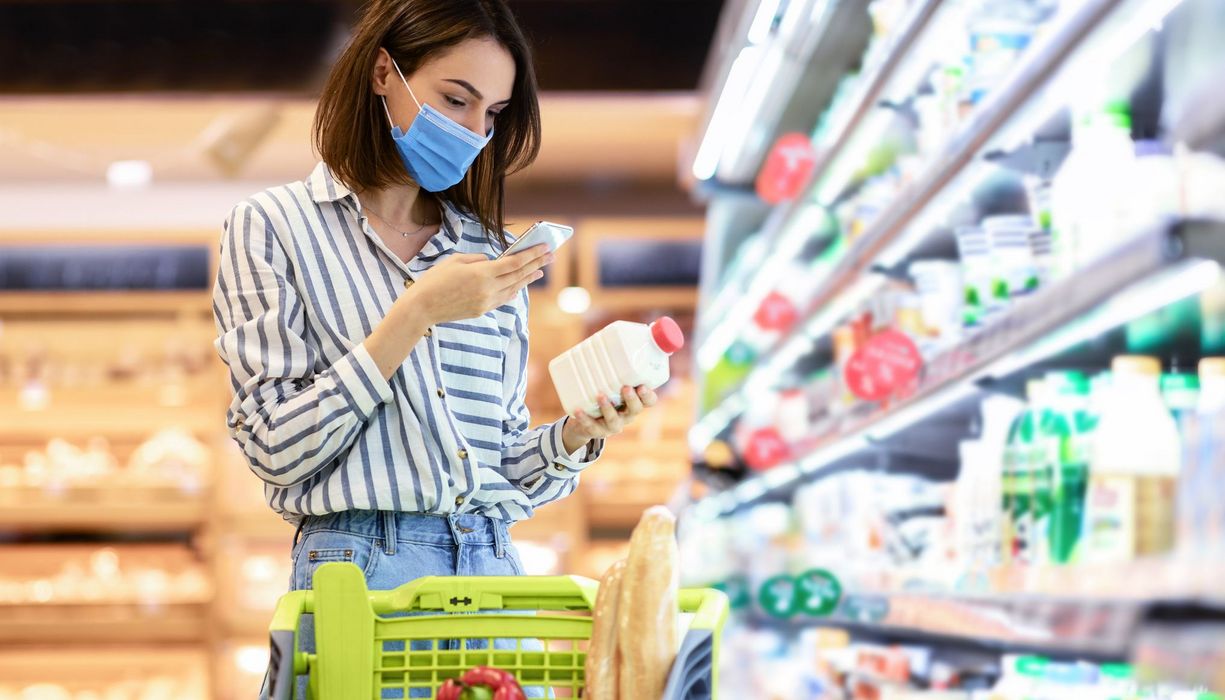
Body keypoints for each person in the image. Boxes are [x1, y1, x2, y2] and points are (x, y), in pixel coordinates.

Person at [211, 0, 658, 695]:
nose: (474, 131)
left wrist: (575, 434)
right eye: (456, 98)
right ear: (384, 72)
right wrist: (413, 314)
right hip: (358, 573)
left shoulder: (490, 255)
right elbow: (274, 447)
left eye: (493, 113)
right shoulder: (272, 228)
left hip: (491, 574)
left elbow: (500, 468)